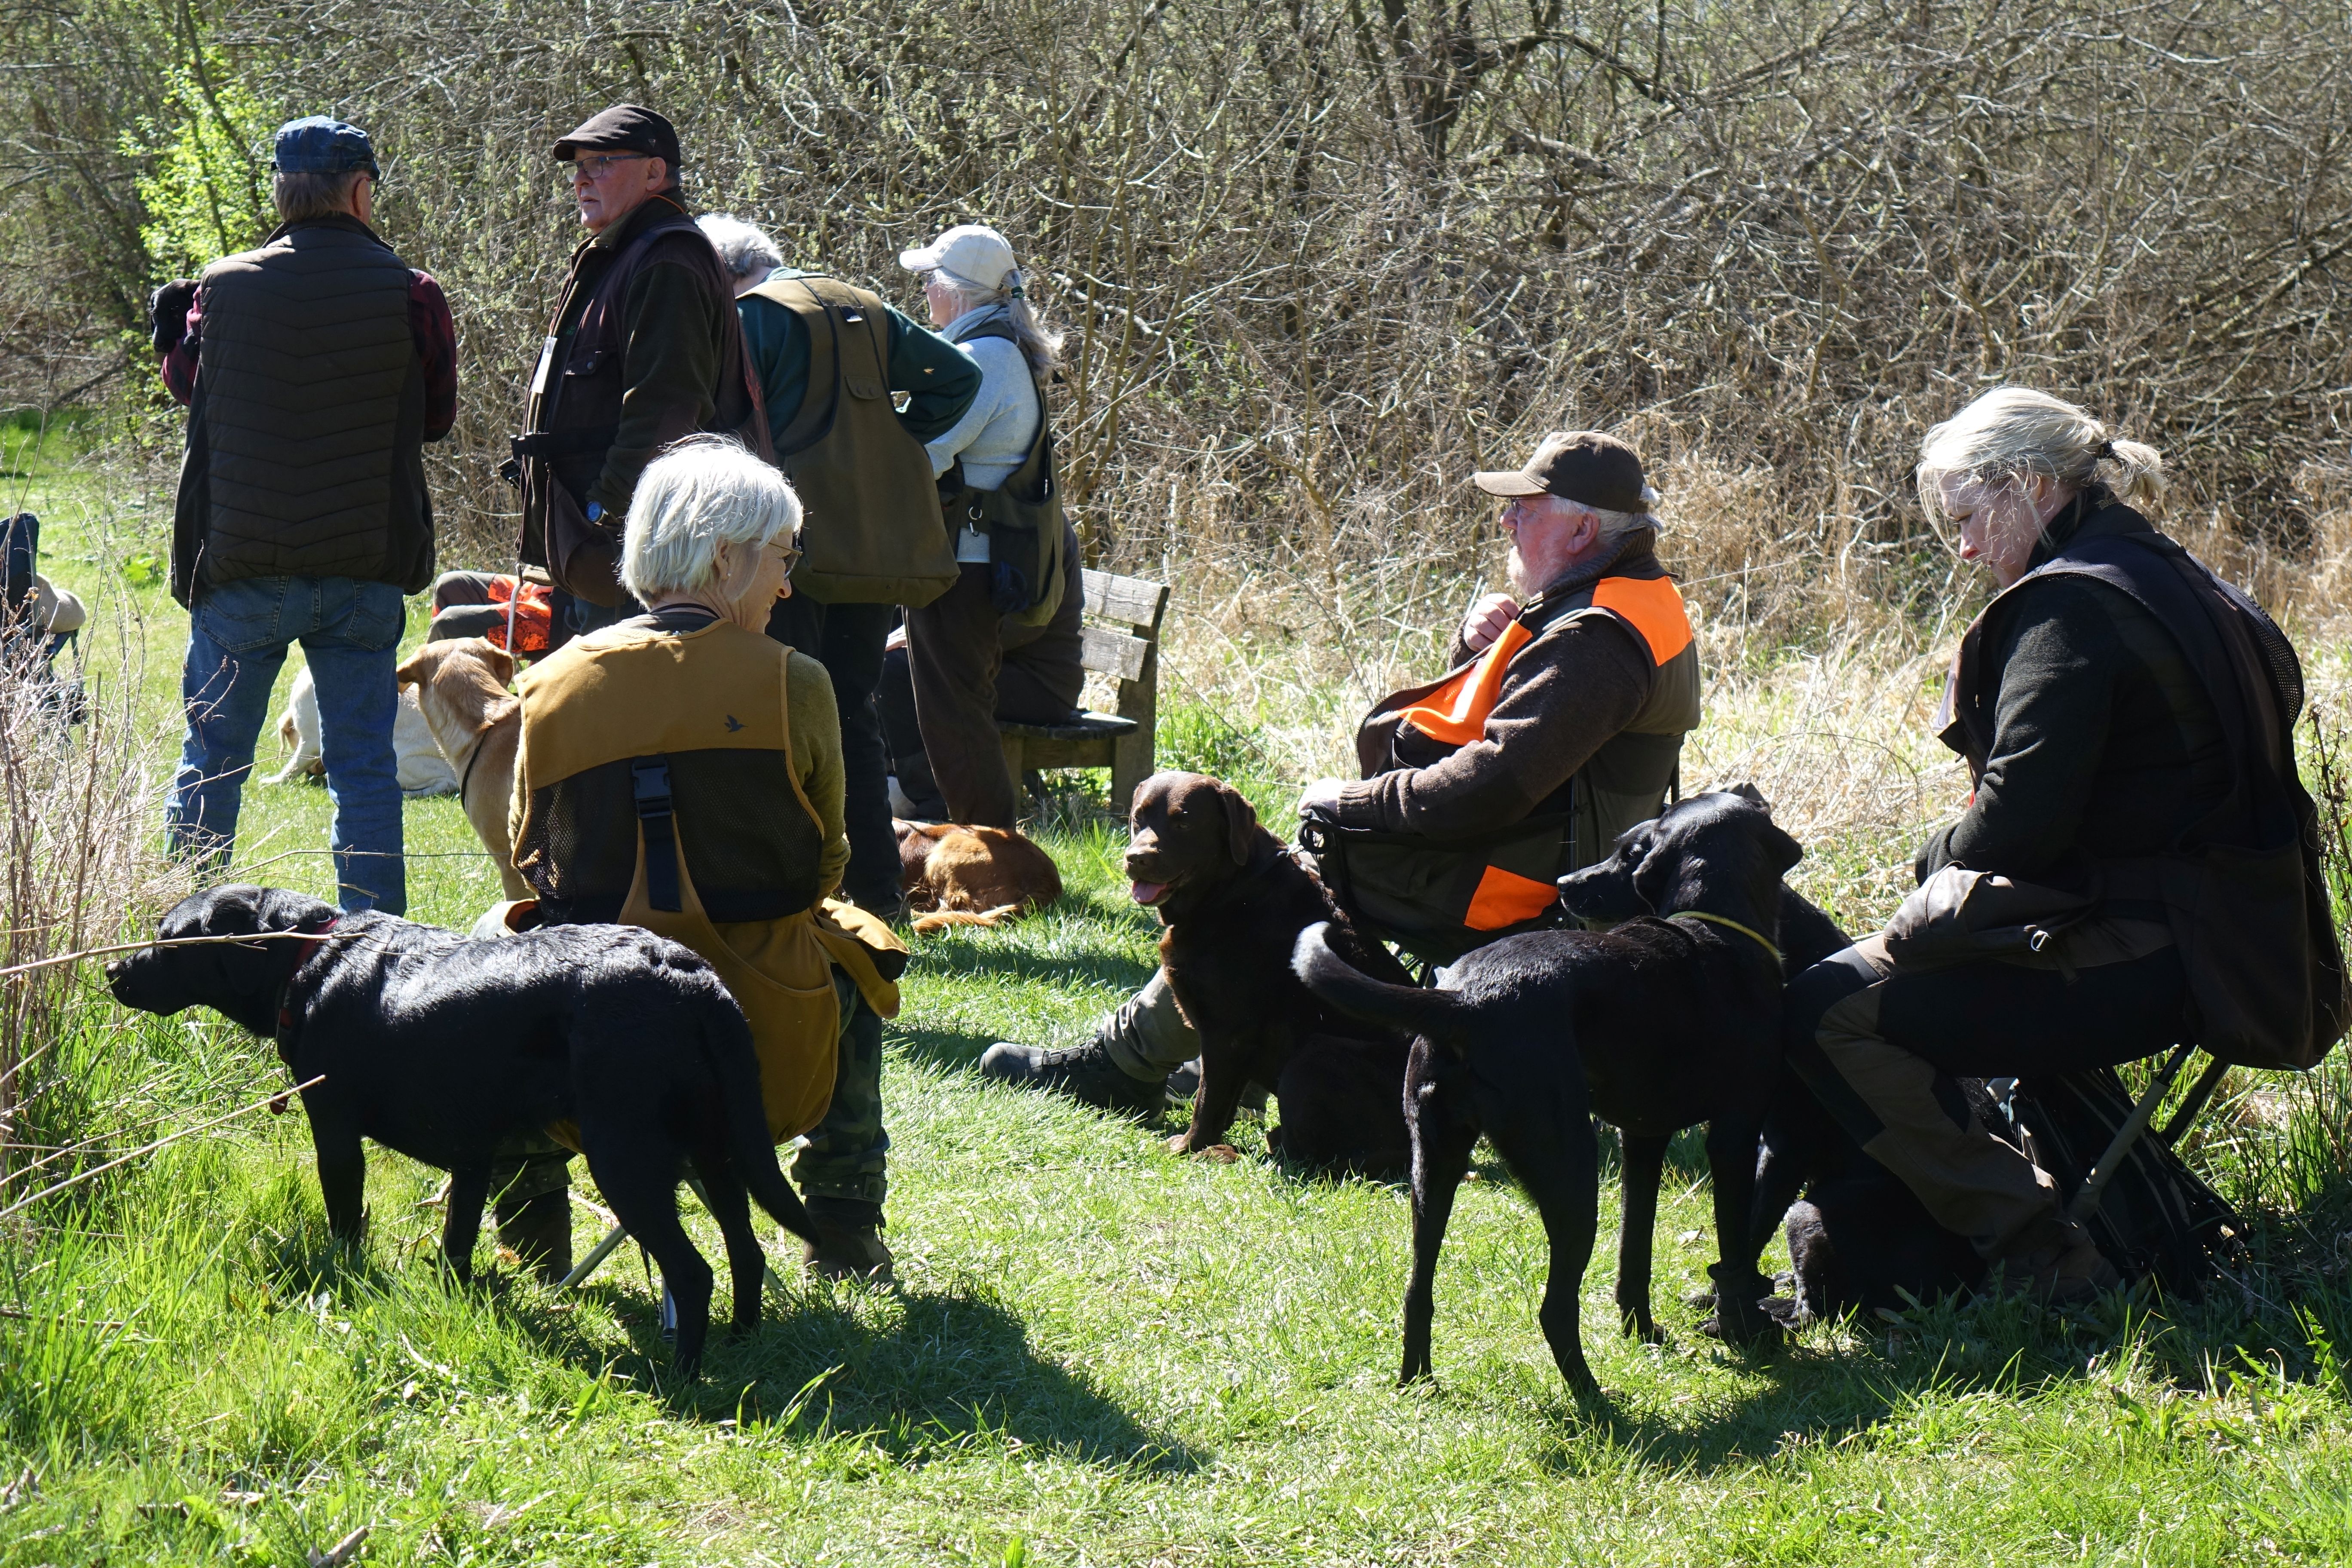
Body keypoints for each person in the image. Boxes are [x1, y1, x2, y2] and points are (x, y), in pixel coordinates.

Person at [1783, 387, 2346, 1302]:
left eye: (1967, 517)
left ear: (2031, 484)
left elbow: (2015, 826)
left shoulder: (2070, 608)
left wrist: (1932, 861)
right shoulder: (2174, 575)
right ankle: (2103, 1214)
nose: (1964, 549)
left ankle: (2047, 1256)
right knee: (1931, 950)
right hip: (2256, 949)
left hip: (2158, 958)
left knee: (1823, 1009)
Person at [982, 429, 1704, 1112]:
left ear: (1581, 531)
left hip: (1519, 886)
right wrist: (1476, 646)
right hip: (1546, 857)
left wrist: (1350, 802)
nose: (1506, 521)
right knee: (1307, 852)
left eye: (1526, 509)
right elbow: (1521, 741)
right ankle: (1240, 1053)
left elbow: (1492, 786)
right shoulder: (1623, 598)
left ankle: (1127, 1061)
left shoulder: (1592, 640)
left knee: (1275, 871)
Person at [499, 436, 905, 1282]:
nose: (787, 584)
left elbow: (527, 853)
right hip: (766, 1041)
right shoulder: (796, 681)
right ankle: (844, 1222)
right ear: (726, 558)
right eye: (783, 557)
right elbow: (825, 865)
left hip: (591, 1043)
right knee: (862, 947)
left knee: (494, 956)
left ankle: (529, 1234)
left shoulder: (550, 686)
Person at [150, 115, 456, 914]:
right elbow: (436, 416)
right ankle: (376, 948)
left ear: (283, 194)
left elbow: (187, 387)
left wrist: (169, 329)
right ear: (358, 191)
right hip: (362, 567)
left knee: (212, 762)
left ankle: (184, 939)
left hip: (243, 564)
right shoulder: (413, 293)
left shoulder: (221, 287)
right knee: (365, 771)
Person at [697, 213, 981, 914]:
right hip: (869, 550)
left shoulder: (751, 318)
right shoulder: (860, 306)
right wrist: (891, 438)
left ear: (725, 275)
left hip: (787, 550)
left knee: (781, 711)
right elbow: (959, 379)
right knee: (853, 714)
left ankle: (794, 891)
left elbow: (717, 428)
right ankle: (878, 893)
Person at [509, 105, 767, 635]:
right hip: (613, 555)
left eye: (601, 163)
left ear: (655, 172)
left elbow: (665, 410)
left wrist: (607, 513)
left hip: (647, 555)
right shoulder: (625, 254)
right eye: (578, 167)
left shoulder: (667, 258)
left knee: (631, 685)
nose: (581, 179)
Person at [900, 224, 1074, 828]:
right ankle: (981, 843)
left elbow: (923, 457)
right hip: (971, 562)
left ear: (958, 291)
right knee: (954, 714)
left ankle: (992, 849)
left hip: (964, 567)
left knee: (955, 719)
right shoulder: (995, 349)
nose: (924, 291)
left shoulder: (983, 358)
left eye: (930, 280)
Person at [876, 536, 1085, 821]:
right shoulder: (965, 523)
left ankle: (936, 806)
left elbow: (1029, 622)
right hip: (986, 664)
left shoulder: (1035, 523)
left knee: (902, 671)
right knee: (882, 660)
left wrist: (926, 636)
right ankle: (893, 781)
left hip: (1040, 681)